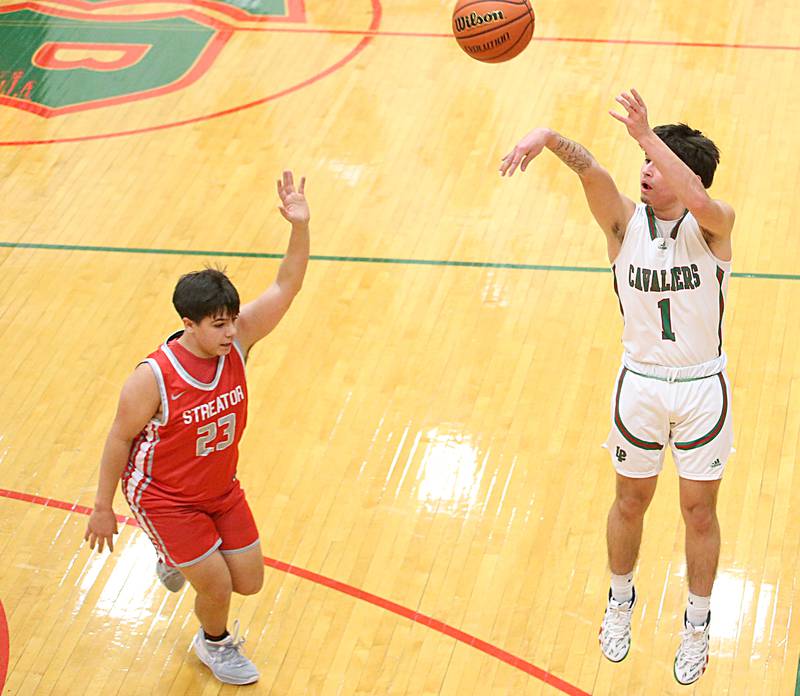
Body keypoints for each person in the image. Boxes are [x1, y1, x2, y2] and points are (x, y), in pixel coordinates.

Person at [500, 90, 734, 686]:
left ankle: (698, 624)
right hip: (640, 385)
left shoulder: (714, 228)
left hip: (702, 388)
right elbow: (592, 171)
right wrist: (548, 136)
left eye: (657, 165)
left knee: (698, 513)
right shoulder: (625, 223)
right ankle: (620, 601)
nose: (645, 170)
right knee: (631, 502)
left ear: (684, 175)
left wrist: (647, 135)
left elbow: (702, 201)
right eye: (646, 163)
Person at [84, 170, 311, 686]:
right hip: (164, 495)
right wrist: (102, 508)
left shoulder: (241, 338)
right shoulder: (153, 378)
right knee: (215, 586)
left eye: (233, 320)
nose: (231, 331)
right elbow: (118, 438)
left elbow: (287, 285)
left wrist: (299, 226)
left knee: (247, 581)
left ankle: (176, 556)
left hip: (219, 487)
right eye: (219, 324)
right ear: (189, 323)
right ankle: (215, 644)